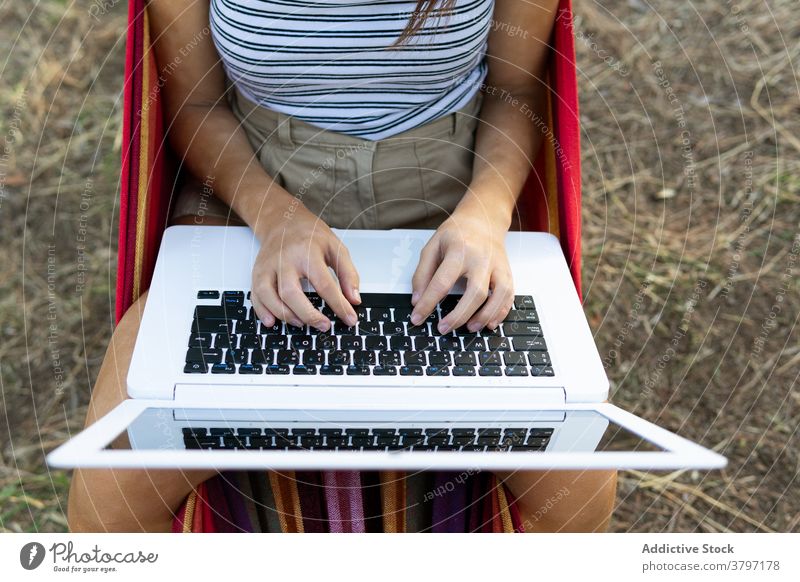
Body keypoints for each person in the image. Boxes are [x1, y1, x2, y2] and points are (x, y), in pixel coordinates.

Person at [67, 0, 617, 532]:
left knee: (576, 494)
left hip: (449, 210)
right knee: (110, 499)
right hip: (253, 201)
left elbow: (517, 90)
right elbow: (194, 103)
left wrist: (485, 217)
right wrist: (275, 218)